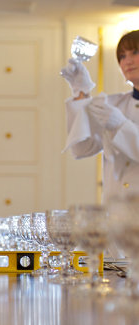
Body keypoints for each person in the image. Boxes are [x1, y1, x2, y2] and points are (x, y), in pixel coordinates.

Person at [61, 30, 139, 204]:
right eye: (122, 56)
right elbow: (82, 148)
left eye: (135, 52)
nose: (128, 61)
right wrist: (81, 93)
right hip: (115, 211)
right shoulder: (114, 103)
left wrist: (120, 126)